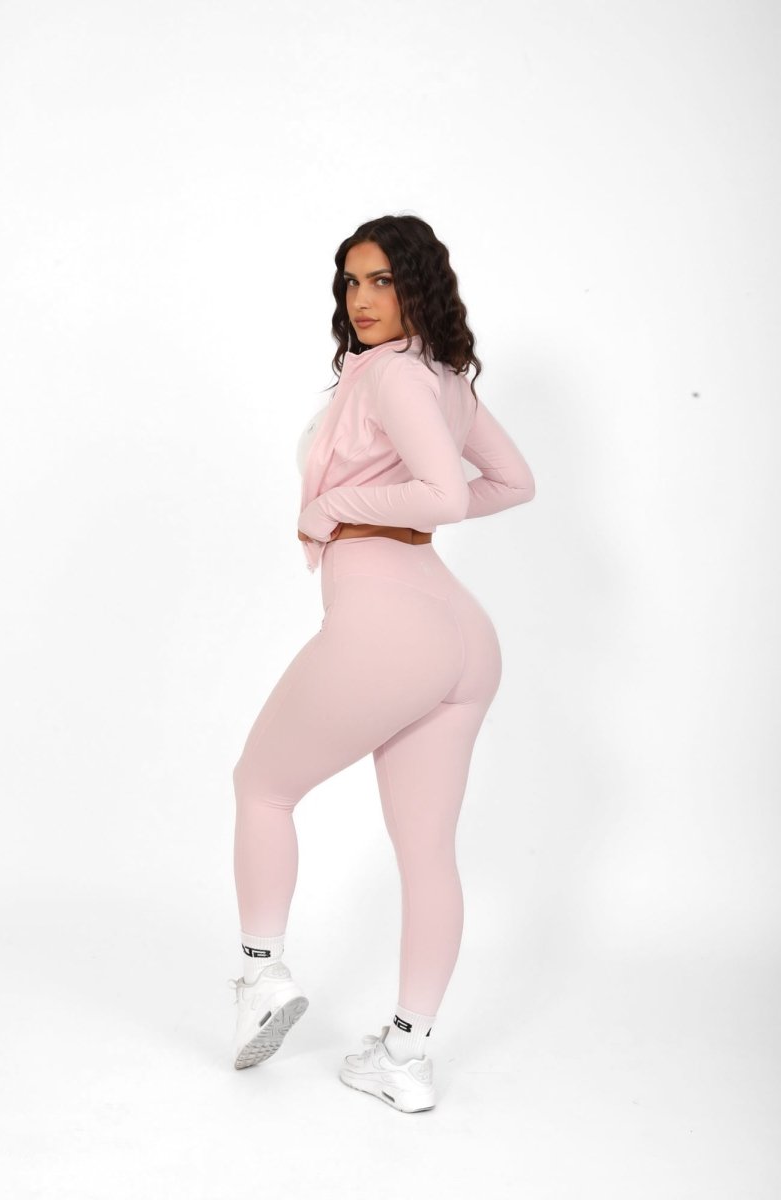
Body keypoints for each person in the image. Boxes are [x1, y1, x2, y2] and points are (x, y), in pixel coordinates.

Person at [228, 214, 536, 1113]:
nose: (361, 299)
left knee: (261, 788)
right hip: (461, 636)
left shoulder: (395, 375)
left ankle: (261, 979)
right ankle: (405, 1055)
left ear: (417, 283)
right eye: (351, 281)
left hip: (391, 627)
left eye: (382, 280)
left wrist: (335, 508)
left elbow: (442, 495)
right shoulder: (445, 379)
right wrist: (383, 506)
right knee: (428, 851)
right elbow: (512, 483)